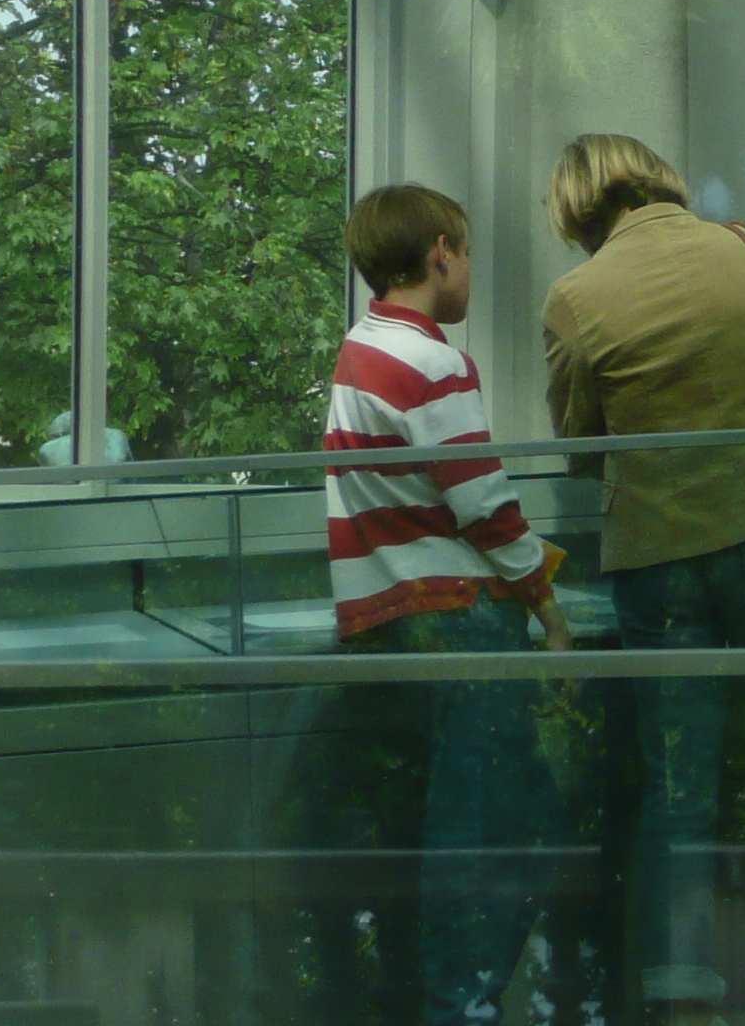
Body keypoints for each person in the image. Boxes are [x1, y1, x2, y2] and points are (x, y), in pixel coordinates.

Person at [537, 134, 745, 1026]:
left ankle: (683, 1001)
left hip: (659, 552)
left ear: (579, 208)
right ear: (654, 179)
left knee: (678, 786)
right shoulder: (742, 248)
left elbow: (583, 448)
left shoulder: (577, 296)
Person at [322, 183, 572, 1026]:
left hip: (374, 622)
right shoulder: (434, 362)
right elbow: (482, 502)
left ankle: (425, 1003)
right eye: (464, 253)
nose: (468, 270)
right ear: (439, 252)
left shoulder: (360, 348)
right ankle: (466, 1008)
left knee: (412, 840)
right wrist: (545, 601)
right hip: (457, 614)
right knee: (502, 831)